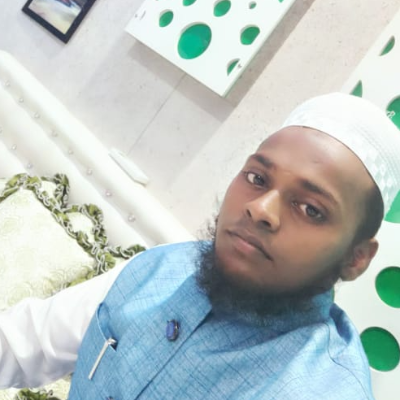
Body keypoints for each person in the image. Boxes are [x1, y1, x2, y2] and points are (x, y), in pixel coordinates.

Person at [1, 92, 399, 400]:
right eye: (257, 179)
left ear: (356, 258)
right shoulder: (159, 268)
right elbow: (22, 343)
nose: (261, 209)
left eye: (311, 209)